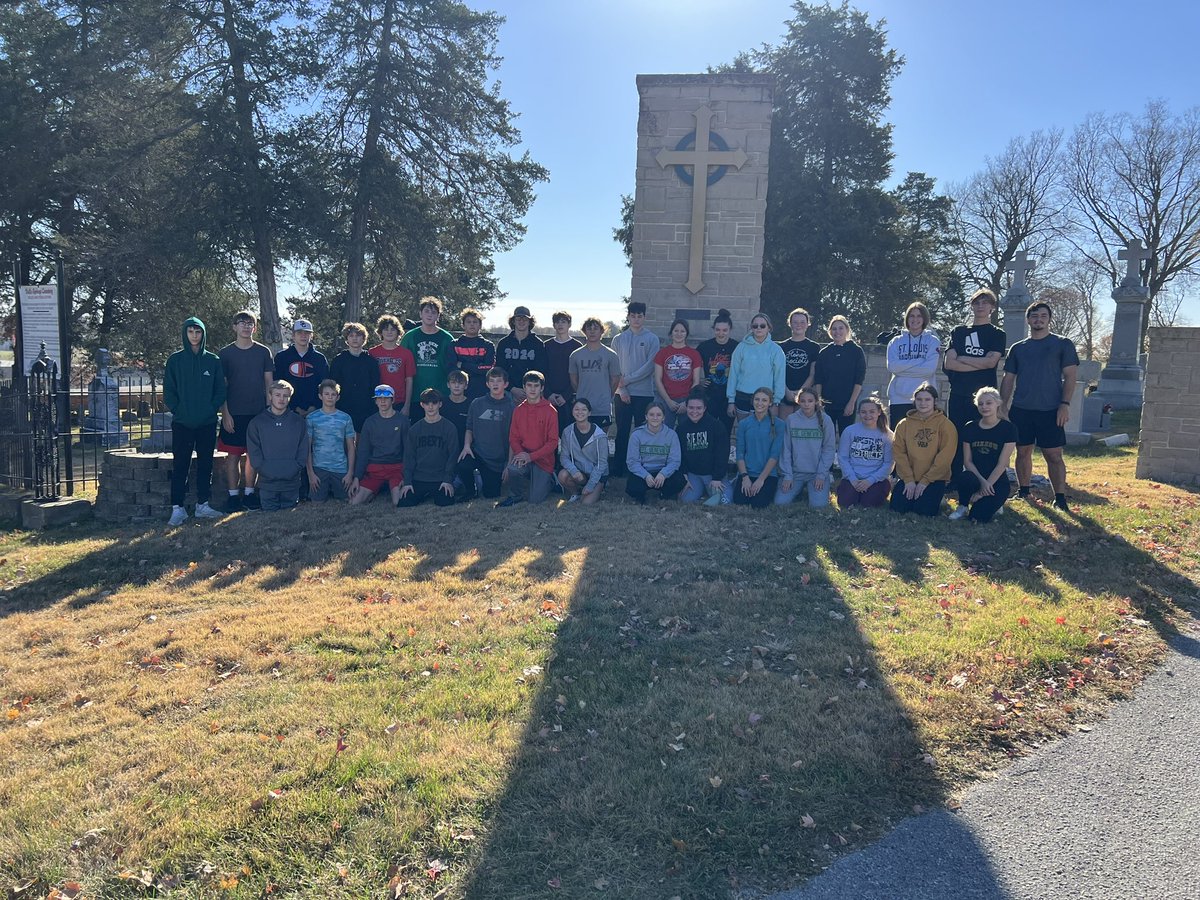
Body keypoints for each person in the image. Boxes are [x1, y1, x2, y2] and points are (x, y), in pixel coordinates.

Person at [1000, 300, 1079, 512]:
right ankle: (1024, 490)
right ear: (1028, 320)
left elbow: (1070, 376)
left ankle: (1060, 497)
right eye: (1034, 316)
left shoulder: (1063, 344)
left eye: (1043, 316)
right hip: (1022, 409)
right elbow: (1008, 379)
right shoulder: (1018, 348)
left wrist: (1065, 405)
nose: (1038, 319)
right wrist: (1003, 405)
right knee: (1022, 451)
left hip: (1051, 409)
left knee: (1053, 455)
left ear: (1049, 319)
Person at [164, 316, 227, 525]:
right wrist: (178, 409)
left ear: (203, 334)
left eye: (197, 332)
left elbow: (220, 390)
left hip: (207, 422)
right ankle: (178, 508)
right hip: (182, 422)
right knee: (180, 464)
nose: (194, 335)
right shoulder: (175, 360)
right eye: (190, 331)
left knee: (205, 464)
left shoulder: (213, 361)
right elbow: (169, 391)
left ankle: (203, 505)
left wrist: (211, 409)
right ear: (185, 333)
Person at [944, 289, 1006, 479]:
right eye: (977, 303)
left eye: (985, 303)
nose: (980, 306)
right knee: (956, 437)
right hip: (959, 394)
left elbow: (991, 363)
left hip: (984, 398)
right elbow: (949, 363)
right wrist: (979, 364)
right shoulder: (959, 331)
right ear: (971, 306)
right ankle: (955, 478)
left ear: (992, 308)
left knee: (982, 438)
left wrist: (963, 358)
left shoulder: (997, 334)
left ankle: (981, 479)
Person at [217, 309, 274, 511]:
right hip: (234, 414)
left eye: (250, 323)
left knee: (253, 456)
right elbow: (221, 387)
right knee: (232, 457)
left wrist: (270, 409)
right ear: (234, 327)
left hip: (258, 413)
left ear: (255, 328)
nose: (246, 326)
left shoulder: (263, 352)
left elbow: (269, 383)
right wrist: (225, 414)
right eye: (241, 322)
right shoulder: (224, 354)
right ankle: (233, 497)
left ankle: (250, 494)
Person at [949, 387, 1018, 523]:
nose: (984, 407)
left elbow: (1002, 464)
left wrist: (984, 490)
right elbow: (967, 461)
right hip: (975, 477)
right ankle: (963, 506)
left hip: (996, 480)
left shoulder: (1008, 429)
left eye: (988, 403)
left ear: (998, 403)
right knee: (964, 477)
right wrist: (982, 483)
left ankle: (995, 504)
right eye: (981, 404)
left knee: (977, 518)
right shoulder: (970, 427)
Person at [890, 383, 957, 517]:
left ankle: (938, 498)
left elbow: (945, 457)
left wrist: (925, 481)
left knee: (924, 511)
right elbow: (899, 453)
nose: (923, 403)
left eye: (927, 399)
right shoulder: (904, 424)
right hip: (910, 477)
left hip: (933, 478)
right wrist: (908, 480)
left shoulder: (945, 424)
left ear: (935, 401)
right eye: (919, 399)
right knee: (898, 508)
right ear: (914, 401)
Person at [611, 301, 660, 476]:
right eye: (633, 316)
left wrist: (628, 380)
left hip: (643, 393)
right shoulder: (618, 339)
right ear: (628, 317)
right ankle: (618, 469)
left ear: (644, 317)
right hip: (621, 394)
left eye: (640, 316)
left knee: (642, 432)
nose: (636, 319)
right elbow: (613, 367)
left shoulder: (652, 339)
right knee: (622, 431)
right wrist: (621, 389)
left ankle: (640, 470)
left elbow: (650, 366)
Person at [246, 381, 310, 511]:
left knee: (289, 524)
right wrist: (264, 469)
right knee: (269, 524)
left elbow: (303, 449)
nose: (281, 399)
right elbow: (254, 452)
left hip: (291, 484)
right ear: (270, 396)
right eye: (277, 395)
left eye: (285, 396)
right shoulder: (257, 423)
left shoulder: (298, 422)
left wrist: (296, 467)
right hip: (267, 484)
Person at [499, 370, 558, 506]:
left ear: (542, 388)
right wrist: (521, 454)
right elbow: (513, 438)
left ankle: (550, 480)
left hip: (543, 460)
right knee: (513, 469)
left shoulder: (550, 411)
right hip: (524, 456)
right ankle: (516, 495)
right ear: (524, 387)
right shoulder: (518, 410)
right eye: (529, 385)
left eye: (536, 386)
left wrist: (530, 456)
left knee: (535, 500)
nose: (532, 389)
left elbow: (553, 442)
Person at [457, 367, 516, 501]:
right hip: (478, 453)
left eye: (499, 381)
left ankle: (484, 481)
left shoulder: (512, 408)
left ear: (505, 384)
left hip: (497, 460)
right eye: (492, 381)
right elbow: (469, 428)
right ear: (487, 384)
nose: (495, 384)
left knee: (491, 494)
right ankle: (471, 490)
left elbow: (514, 438)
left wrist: (508, 463)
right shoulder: (477, 403)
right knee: (463, 464)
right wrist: (467, 446)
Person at [397, 388, 459, 507]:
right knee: (405, 503)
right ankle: (423, 494)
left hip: (440, 478)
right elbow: (409, 457)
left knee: (445, 502)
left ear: (440, 404)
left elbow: (453, 455)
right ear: (422, 405)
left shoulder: (449, 428)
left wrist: (447, 479)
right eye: (427, 403)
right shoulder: (414, 429)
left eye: (434, 403)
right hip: (419, 477)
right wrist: (408, 482)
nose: (430, 407)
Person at [775, 387, 836, 508]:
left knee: (818, 506)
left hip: (816, 473)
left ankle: (818, 490)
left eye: (810, 401)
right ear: (798, 402)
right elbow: (786, 449)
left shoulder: (826, 420)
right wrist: (787, 475)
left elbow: (829, 449)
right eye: (803, 401)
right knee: (780, 503)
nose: (806, 404)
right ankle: (797, 489)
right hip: (795, 472)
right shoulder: (791, 419)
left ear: (816, 402)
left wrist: (821, 475)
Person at [351, 385, 410, 506]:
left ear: (392, 400)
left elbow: (408, 451)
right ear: (376, 401)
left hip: (396, 468)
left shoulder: (402, 421)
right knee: (355, 502)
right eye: (379, 398)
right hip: (375, 469)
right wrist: (357, 477)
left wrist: (407, 477)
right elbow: (363, 451)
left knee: (398, 502)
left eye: (386, 398)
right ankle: (375, 490)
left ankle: (389, 487)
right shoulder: (370, 422)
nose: (382, 401)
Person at [885, 302, 942, 422]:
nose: (915, 319)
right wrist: (919, 361)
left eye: (919, 316)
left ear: (924, 318)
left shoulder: (933, 341)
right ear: (907, 318)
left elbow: (929, 370)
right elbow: (892, 367)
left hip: (924, 400)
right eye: (912, 316)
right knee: (899, 438)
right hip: (898, 399)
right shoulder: (895, 342)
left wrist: (902, 369)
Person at [399, 297, 455, 417]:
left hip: (440, 395)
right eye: (426, 311)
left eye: (434, 312)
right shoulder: (410, 337)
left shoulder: (447, 338)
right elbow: (402, 365)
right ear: (420, 314)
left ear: (438, 316)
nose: (430, 315)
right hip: (415, 395)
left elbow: (452, 367)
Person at [727, 313, 786, 424]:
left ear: (769, 327)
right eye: (755, 326)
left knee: (763, 434)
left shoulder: (776, 350)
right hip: (742, 397)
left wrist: (776, 402)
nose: (759, 328)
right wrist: (731, 400)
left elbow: (779, 376)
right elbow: (733, 374)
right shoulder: (741, 347)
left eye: (762, 326)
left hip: (764, 399)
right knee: (744, 432)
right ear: (751, 328)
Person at [835, 396, 893, 509]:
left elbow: (889, 463)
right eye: (863, 412)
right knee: (846, 502)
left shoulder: (887, 435)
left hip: (875, 479)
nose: (867, 415)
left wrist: (870, 481)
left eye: (872, 412)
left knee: (868, 503)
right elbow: (843, 457)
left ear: (879, 412)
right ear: (859, 413)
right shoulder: (850, 431)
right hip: (853, 477)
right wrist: (852, 479)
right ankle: (848, 489)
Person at [813, 315, 867, 435]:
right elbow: (819, 379)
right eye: (834, 329)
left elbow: (859, 379)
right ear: (830, 331)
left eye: (840, 328)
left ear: (847, 330)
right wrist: (819, 402)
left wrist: (851, 402)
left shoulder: (856, 351)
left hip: (847, 404)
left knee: (846, 437)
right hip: (827, 405)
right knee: (826, 437)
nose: (837, 332)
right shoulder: (824, 353)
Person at [730, 387, 783, 507]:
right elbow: (740, 453)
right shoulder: (744, 423)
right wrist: (744, 477)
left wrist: (760, 480)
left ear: (770, 403)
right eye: (757, 399)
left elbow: (774, 455)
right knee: (740, 501)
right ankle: (736, 481)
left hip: (767, 475)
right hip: (747, 473)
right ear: (752, 401)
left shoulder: (779, 424)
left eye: (764, 400)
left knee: (758, 504)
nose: (760, 403)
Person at [676, 388, 729, 504]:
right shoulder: (681, 429)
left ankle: (726, 484)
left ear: (705, 408)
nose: (694, 411)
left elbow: (722, 453)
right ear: (686, 407)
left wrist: (717, 477)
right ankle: (702, 490)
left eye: (699, 408)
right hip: (693, 475)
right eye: (691, 408)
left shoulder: (717, 426)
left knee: (725, 502)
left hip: (713, 475)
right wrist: (684, 475)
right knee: (685, 500)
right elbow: (680, 455)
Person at [305, 379, 356, 502]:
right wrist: (311, 474)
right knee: (317, 502)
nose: (330, 397)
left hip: (340, 468)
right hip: (319, 468)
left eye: (333, 394)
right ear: (320, 396)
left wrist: (350, 473)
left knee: (348, 500)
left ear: (337, 397)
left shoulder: (345, 418)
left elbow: (351, 447)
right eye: (326, 394)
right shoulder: (311, 418)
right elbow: (307, 448)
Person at [625, 401, 684, 504]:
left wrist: (663, 474)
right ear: (646, 417)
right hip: (644, 471)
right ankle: (642, 497)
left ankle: (663, 494)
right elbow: (632, 462)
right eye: (651, 414)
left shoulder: (671, 435)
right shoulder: (636, 435)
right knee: (633, 487)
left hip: (662, 471)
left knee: (679, 481)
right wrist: (646, 475)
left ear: (664, 417)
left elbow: (675, 461)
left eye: (658, 415)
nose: (655, 418)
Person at [569, 317, 621, 428]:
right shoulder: (575, 355)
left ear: (602, 331)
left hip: (602, 407)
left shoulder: (611, 355)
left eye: (596, 328)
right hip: (582, 407)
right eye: (589, 328)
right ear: (584, 331)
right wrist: (582, 393)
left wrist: (606, 395)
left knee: (601, 439)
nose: (592, 331)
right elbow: (573, 380)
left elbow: (615, 380)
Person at [273, 318, 329, 418]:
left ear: (311, 336)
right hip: (287, 411)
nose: (303, 336)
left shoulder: (319, 359)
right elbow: (277, 384)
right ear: (293, 336)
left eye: (307, 333)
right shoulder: (282, 357)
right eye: (299, 333)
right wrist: (294, 407)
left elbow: (325, 384)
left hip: (316, 411)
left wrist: (314, 406)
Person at [697, 308, 739, 437]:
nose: (721, 333)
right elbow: (695, 365)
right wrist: (699, 380)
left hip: (728, 396)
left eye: (724, 330)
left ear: (730, 330)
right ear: (713, 329)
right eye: (718, 330)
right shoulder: (704, 347)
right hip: (710, 396)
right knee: (708, 431)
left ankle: (723, 456)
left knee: (725, 432)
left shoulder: (737, 347)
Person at [653, 318, 703, 427]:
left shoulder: (694, 354)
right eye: (676, 331)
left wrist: (687, 402)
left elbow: (696, 380)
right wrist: (668, 401)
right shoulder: (662, 353)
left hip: (686, 400)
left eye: (682, 331)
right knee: (665, 432)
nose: (679, 334)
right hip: (666, 399)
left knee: (686, 433)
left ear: (686, 334)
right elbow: (657, 379)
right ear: (671, 333)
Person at [558, 398, 609, 504]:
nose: (580, 412)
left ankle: (599, 487)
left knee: (586, 503)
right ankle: (575, 493)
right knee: (563, 475)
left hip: (596, 474)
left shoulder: (600, 435)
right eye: (576, 409)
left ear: (589, 413)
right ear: (572, 412)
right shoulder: (567, 432)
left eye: (584, 410)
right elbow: (564, 457)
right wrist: (574, 471)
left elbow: (602, 463)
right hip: (579, 472)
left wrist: (590, 485)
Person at [329, 322, 378, 432]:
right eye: (351, 336)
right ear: (347, 339)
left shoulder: (371, 361)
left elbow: (375, 385)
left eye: (358, 335)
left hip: (366, 409)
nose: (355, 339)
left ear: (364, 338)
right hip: (343, 408)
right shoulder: (339, 360)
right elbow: (332, 384)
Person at [369, 314, 415, 419]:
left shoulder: (406, 354)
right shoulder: (372, 352)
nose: (389, 332)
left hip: (399, 401)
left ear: (398, 332)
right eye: (386, 329)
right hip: (379, 401)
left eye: (393, 329)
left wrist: (407, 405)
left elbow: (409, 380)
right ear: (380, 332)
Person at [543, 310, 582, 432]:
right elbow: (542, 372)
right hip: (549, 397)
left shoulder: (577, 346)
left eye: (563, 322)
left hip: (569, 398)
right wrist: (548, 394)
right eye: (557, 322)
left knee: (568, 435)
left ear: (569, 324)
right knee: (548, 434)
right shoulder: (546, 346)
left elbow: (580, 374)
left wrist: (566, 395)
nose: (560, 325)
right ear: (554, 325)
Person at [496, 306, 546, 402]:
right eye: (518, 318)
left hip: (531, 392)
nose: (521, 321)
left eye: (525, 319)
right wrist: (512, 388)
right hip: (507, 391)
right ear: (513, 321)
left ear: (529, 322)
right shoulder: (504, 343)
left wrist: (529, 389)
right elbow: (499, 369)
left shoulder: (537, 344)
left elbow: (541, 370)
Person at [778, 307, 820, 417]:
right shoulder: (780, 347)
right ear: (790, 324)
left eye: (802, 322)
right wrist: (786, 391)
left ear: (808, 324)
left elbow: (813, 374)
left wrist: (800, 393)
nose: (799, 325)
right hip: (784, 395)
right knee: (785, 429)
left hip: (805, 397)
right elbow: (777, 373)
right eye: (795, 322)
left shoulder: (814, 347)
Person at [450, 308, 496, 400]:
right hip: (459, 393)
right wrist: (477, 367)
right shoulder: (454, 344)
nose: (472, 324)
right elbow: (451, 368)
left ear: (480, 325)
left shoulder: (488, 345)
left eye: (475, 322)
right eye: (468, 322)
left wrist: (463, 364)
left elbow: (487, 369)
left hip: (481, 392)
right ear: (463, 325)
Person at [442, 369, 472, 445]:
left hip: (465, 446)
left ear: (466, 386)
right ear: (448, 385)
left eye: (460, 383)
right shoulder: (440, 403)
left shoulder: (472, 404)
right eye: (453, 382)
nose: (456, 386)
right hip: (444, 445)